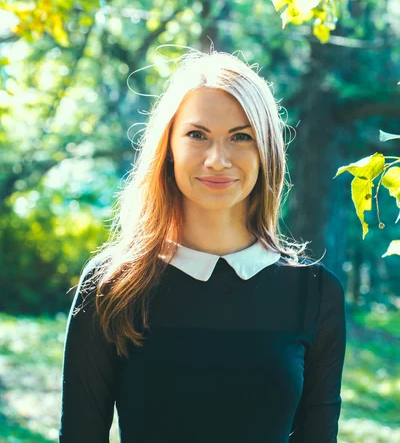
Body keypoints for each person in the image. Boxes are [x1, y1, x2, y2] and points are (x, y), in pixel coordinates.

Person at [58, 49, 346, 443]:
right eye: (197, 135)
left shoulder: (314, 293)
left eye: (240, 137)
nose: (217, 159)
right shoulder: (112, 286)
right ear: (168, 148)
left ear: (266, 152)